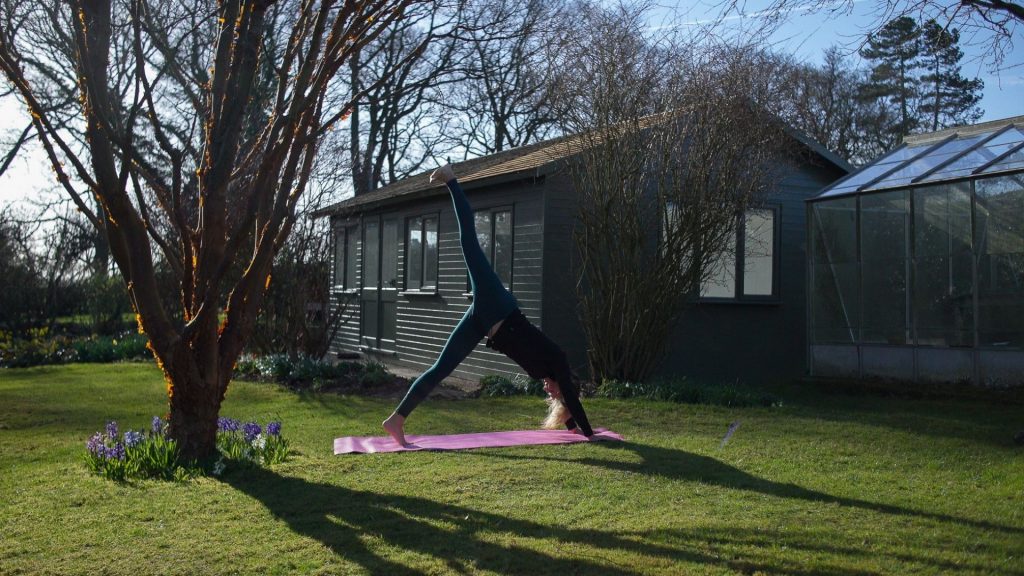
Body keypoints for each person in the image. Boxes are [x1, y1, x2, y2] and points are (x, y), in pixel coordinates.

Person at [382, 164, 594, 446]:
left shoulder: (548, 371)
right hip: (497, 303)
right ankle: (452, 181)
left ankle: (396, 420)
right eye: (555, 393)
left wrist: (572, 429)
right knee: (470, 244)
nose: (549, 391)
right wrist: (591, 434)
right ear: (565, 388)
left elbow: (566, 402)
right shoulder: (559, 361)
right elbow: (571, 398)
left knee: (441, 368)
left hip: (485, 322)